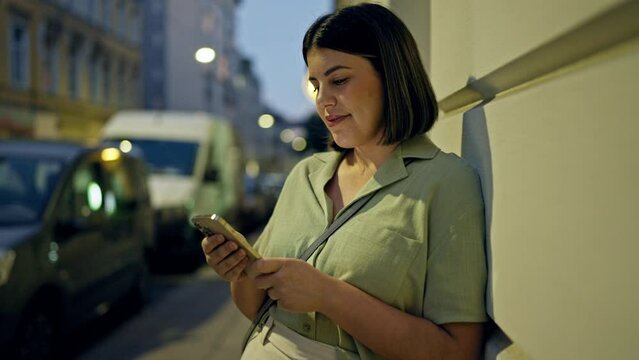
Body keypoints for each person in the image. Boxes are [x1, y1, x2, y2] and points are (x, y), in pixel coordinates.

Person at [202, 3, 487, 359]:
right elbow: (256, 308)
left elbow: (458, 352)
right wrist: (239, 272)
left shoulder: (445, 183)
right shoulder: (306, 174)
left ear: (392, 76)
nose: (324, 101)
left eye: (338, 81)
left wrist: (328, 295)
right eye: (315, 85)